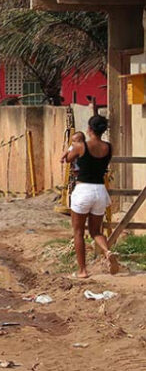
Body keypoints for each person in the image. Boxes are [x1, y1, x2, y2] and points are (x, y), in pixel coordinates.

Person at [63, 115, 119, 278]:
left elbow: (68, 159)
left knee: (78, 231)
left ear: (89, 129)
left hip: (83, 191)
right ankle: (107, 251)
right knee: (96, 231)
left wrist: (70, 148)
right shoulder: (108, 147)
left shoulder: (81, 147)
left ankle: (82, 270)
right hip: (100, 192)